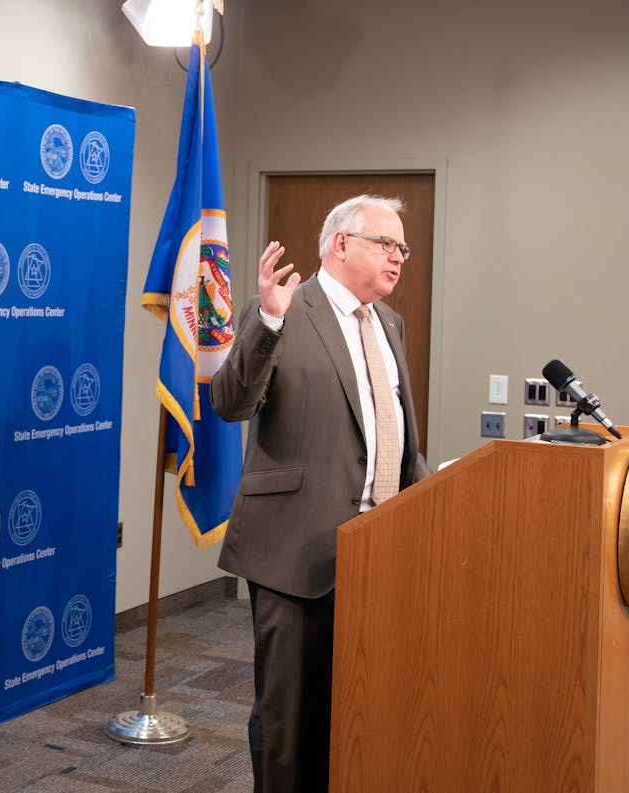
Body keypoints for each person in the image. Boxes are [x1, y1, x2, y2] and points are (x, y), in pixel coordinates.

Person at [211, 194, 429, 792]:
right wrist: (269, 322)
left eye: (403, 248)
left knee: (357, 708)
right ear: (340, 243)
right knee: (288, 718)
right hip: (294, 552)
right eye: (387, 244)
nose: (399, 258)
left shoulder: (390, 323)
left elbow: (395, 431)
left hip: (377, 549)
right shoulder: (283, 309)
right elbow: (230, 403)